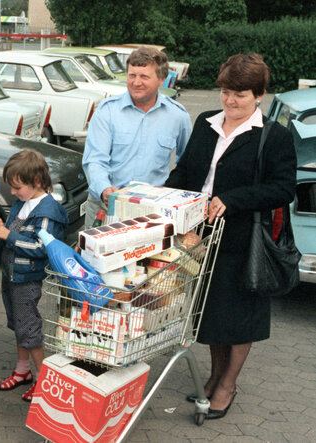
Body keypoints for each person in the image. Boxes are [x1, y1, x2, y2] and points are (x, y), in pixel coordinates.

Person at [165, 53, 296, 419]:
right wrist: (158, 196)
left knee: (239, 317)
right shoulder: (206, 122)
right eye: (225, 92)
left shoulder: (275, 137)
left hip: (243, 240)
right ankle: (214, 375)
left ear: (259, 95)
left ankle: (227, 384)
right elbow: (187, 171)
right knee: (209, 314)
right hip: (201, 235)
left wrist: (232, 199)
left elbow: (283, 188)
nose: (230, 101)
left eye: (239, 94)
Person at [82, 46, 192, 228]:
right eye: (132, 75)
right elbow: (94, 159)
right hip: (105, 206)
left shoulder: (178, 116)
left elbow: (186, 164)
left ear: (162, 80)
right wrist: (104, 188)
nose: (136, 82)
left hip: (152, 213)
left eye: (144, 76)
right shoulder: (107, 111)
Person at [0, 149, 68, 402]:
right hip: (12, 274)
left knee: (29, 328)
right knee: (17, 323)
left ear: (36, 182)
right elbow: (15, 231)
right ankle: (23, 371)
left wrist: (8, 236)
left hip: (26, 279)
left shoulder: (47, 211)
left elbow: (41, 247)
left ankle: (42, 380)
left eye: (17, 187)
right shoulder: (23, 203)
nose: (13, 193)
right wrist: (3, 230)